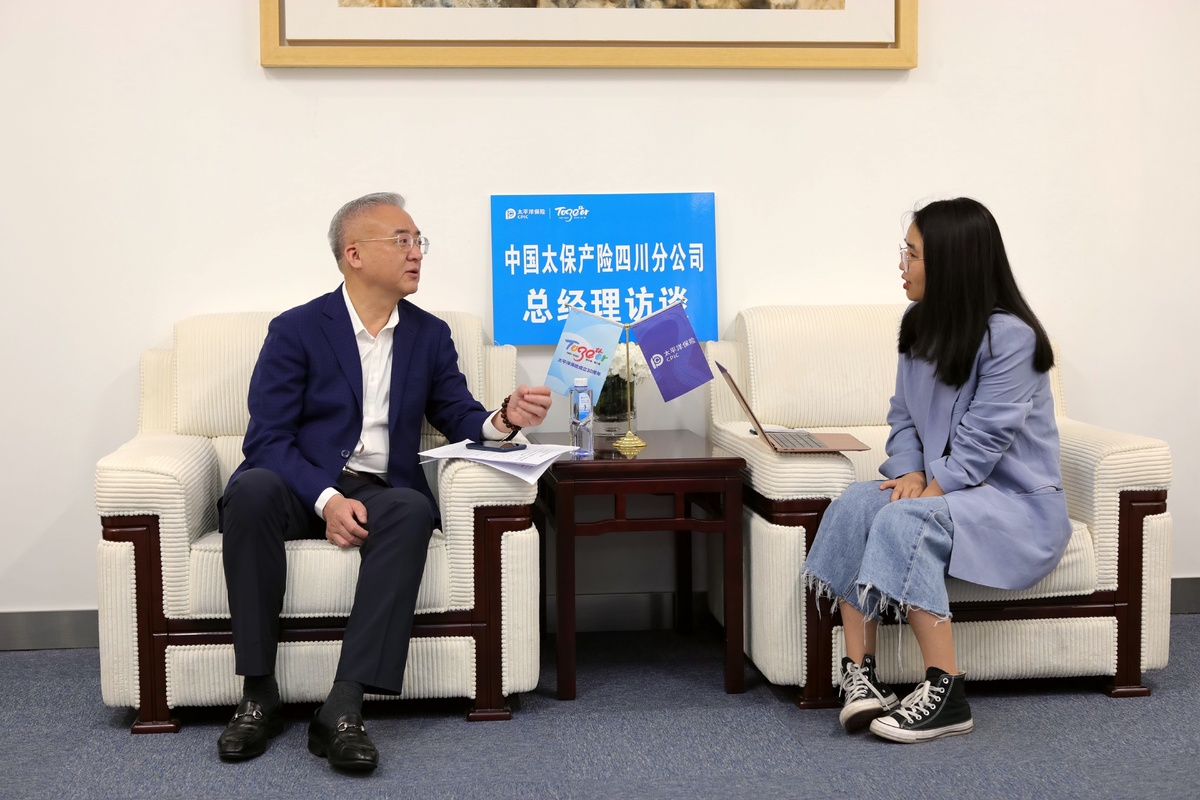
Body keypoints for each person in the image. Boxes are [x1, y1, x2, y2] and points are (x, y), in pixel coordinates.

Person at [215, 192, 552, 770]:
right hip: (300, 484)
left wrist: (503, 419)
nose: (416, 252)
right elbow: (267, 438)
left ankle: (343, 707)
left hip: (376, 488)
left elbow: (457, 413)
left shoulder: (428, 334)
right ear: (354, 254)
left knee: (412, 510)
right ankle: (257, 694)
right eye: (402, 240)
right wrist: (326, 500)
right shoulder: (297, 329)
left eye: (419, 241)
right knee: (249, 491)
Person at [801, 197, 1070, 743]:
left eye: (913, 254)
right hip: (947, 491)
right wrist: (910, 473)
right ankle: (862, 677)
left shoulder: (1011, 338)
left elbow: (984, 440)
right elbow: (902, 415)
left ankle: (947, 692)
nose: (901, 264)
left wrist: (930, 488)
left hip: (1011, 504)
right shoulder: (917, 323)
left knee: (903, 520)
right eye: (904, 251)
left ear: (950, 263)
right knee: (854, 503)